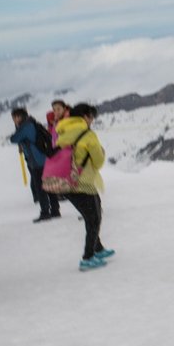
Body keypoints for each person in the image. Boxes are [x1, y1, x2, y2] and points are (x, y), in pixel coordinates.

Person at [55, 103, 115, 271]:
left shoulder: (64, 131)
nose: (92, 121)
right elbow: (99, 161)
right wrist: (101, 152)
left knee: (93, 214)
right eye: (91, 117)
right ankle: (88, 257)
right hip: (83, 183)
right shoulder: (88, 135)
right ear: (85, 117)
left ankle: (98, 248)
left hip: (67, 183)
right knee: (93, 218)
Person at [9, 108, 61, 222]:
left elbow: (13, 139)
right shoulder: (32, 123)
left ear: (20, 117)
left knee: (41, 188)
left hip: (37, 162)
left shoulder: (25, 127)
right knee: (49, 186)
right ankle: (55, 210)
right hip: (44, 159)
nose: (14, 120)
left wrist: (17, 129)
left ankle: (45, 212)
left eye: (15, 117)